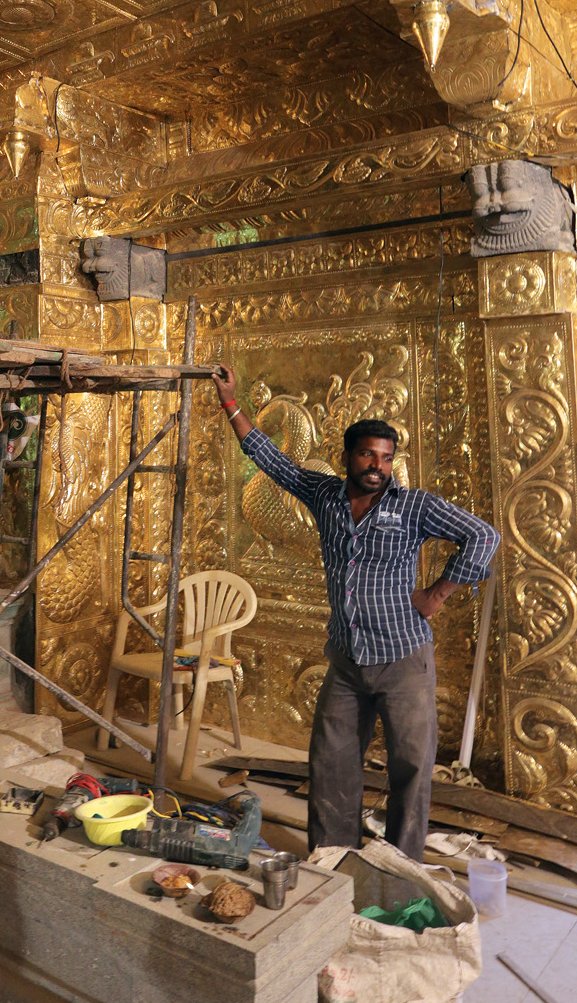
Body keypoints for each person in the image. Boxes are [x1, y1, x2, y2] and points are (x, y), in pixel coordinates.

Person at [212, 364, 500, 862]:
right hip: (347, 661)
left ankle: (400, 864)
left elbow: (484, 536)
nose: (377, 466)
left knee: (410, 766)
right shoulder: (324, 495)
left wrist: (437, 593)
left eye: (386, 458)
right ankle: (331, 858)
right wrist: (231, 403)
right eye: (368, 454)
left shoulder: (412, 506)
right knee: (331, 763)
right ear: (348, 457)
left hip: (403, 658)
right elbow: (269, 458)